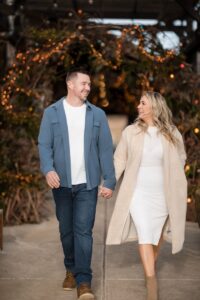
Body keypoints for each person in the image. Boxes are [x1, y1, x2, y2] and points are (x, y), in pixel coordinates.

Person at [38, 68, 116, 300]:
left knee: (83, 231)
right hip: (61, 183)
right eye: (84, 84)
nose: (88, 88)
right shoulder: (51, 113)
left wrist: (109, 180)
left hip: (88, 184)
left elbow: (105, 150)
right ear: (70, 84)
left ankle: (84, 280)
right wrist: (48, 169)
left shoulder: (97, 115)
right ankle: (70, 268)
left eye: (89, 84)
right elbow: (44, 145)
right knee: (66, 231)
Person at [106, 91, 187, 300]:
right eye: (139, 103)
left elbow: (181, 158)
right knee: (144, 232)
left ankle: (149, 267)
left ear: (154, 106)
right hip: (138, 192)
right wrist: (109, 183)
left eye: (143, 103)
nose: (138, 107)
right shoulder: (131, 132)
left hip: (163, 193)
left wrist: (177, 178)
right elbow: (119, 159)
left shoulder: (171, 133)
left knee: (156, 235)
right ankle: (152, 283)